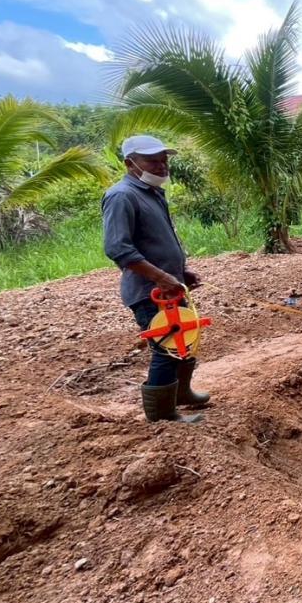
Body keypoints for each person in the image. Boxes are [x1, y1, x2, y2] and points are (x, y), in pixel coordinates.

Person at [102, 134, 208, 423]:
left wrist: (180, 271)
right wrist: (160, 277)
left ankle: (182, 393)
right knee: (167, 348)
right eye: (153, 161)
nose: (162, 167)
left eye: (164, 161)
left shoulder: (151, 192)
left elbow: (156, 240)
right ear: (129, 163)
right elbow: (118, 248)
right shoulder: (121, 196)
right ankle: (162, 416)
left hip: (171, 286)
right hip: (151, 291)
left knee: (186, 339)